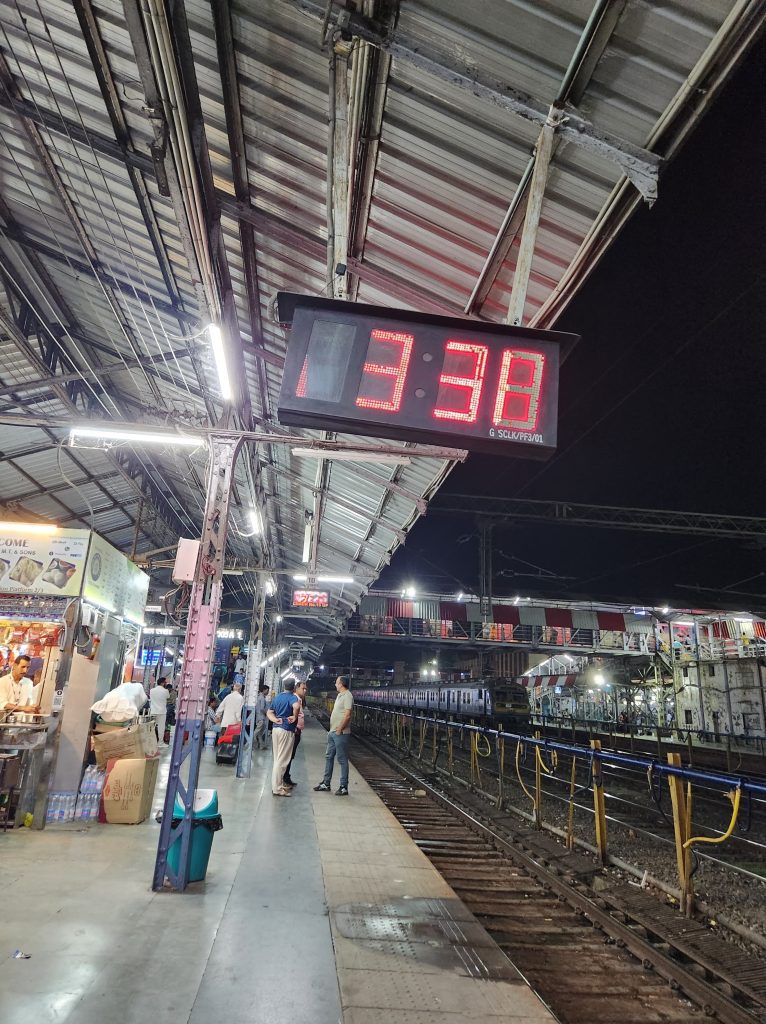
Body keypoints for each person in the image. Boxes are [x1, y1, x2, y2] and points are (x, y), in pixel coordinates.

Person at [314, 675, 353, 796]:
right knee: (329, 757)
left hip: (340, 733)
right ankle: (326, 783)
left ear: (341, 684)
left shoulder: (348, 696)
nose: (335, 684)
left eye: (337, 682)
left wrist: (340, 729)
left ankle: (343, 787)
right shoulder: (340, 695)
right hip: (332, 732)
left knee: (342, 759)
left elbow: (347, 715)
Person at [267, 680, 299, 797]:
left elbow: (269, 712)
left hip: (276, 729)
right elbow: (296, 706)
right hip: (286, 730)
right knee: (282, 760)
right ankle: (277, 788)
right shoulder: (292, 697)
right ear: (294, 687)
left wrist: (275, 719)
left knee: (277, 758)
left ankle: (278, 784)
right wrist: (294, 716)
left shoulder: (278, 697)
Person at [283, 681, 308, 787]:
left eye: (306, 689)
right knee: (288, 755)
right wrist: (295, 728)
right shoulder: (294, 699)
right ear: (297, 688)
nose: (305, 690)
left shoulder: (299, 699)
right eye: (303, 688)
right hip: (294, 731)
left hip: (297, 731)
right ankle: (284, 777)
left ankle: (286, 776)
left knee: (291, 755)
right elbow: (291, 714)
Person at [150, 676, 169, 745]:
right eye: (165, 682)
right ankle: (160, 742)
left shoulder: (152, 690)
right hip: (162, 711)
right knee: (161, 727)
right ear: (162, 683)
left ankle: (151, 742)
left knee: (152, 727)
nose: (166, 683)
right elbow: (168, 697)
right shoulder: (165, 691)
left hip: (153, 711)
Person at [254, 683, 269, 749]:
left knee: (259, 733)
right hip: (261, 717)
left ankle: (261, 746)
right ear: (264, 690)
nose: (268, 692)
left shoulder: (258, 697)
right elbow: (262, 708)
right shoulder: (262, 698)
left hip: (258, 717)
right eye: (267, 690)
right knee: (256, 732)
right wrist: (267, 713)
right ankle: (250, 743)